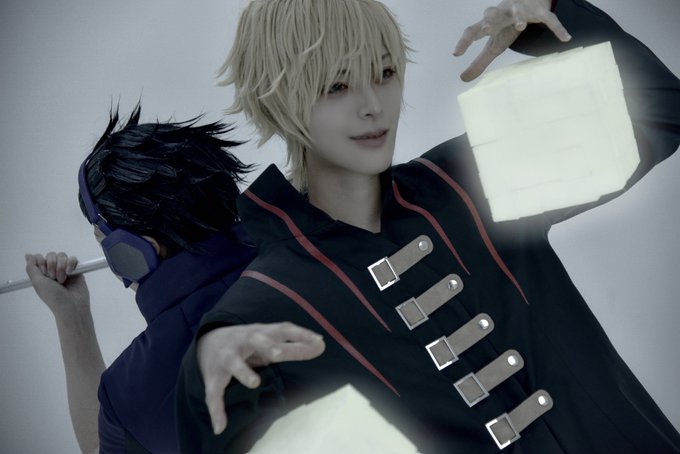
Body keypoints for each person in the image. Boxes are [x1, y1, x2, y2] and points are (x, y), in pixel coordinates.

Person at [175, 0, 680, 452]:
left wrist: (554, 16)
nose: (373, 104)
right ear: (278, 99)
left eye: (385, 72)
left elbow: (660, 108)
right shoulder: (267, 302)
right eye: (337, 86)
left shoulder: (471, 178)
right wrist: (202, 370)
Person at [24, 105, 325, 454]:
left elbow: (98, 446)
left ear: (134, 251)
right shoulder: (321, 252)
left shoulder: (129, 392)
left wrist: (72, 318)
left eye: (102, 241)